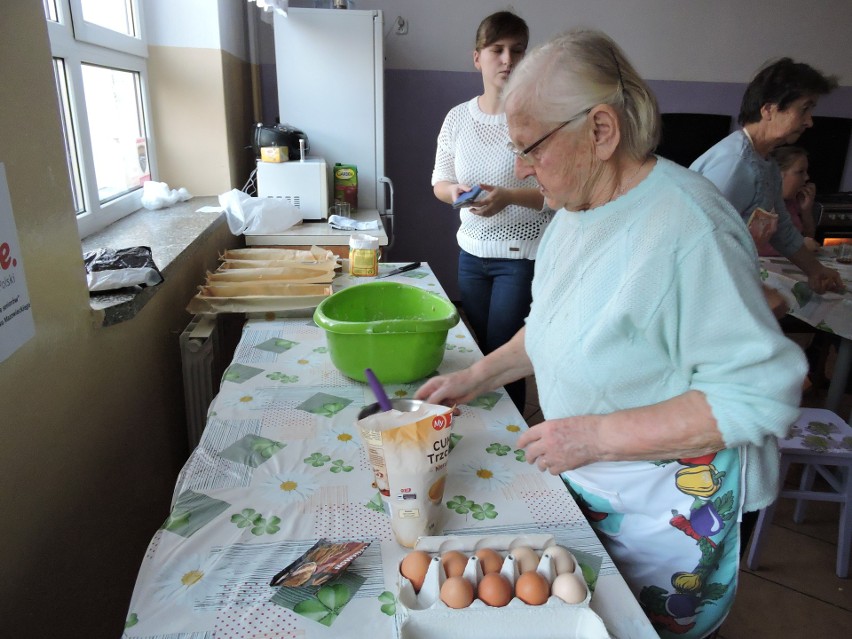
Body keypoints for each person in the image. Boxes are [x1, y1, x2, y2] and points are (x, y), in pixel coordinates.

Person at [417, 29, 807, 639]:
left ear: (601, 131)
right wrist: (475, 376)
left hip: (672, 502)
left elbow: (760, 394)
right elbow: (551, 324)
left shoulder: (689, 226)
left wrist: (595, 436)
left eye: (531, 148)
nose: (520, 169)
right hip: (600, 480)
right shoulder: (575, 210)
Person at [431, 11, 550, 411]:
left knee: (502, 358)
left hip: (518, 259)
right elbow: (439, 182)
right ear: (477, 57)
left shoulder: (538, 120)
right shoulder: (457, 119)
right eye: (497, 49)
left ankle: (512, 437)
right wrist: (457, 192)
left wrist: (509, 197)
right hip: (471, 256)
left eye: (517, 50)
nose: (507, 59)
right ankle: (489, 436)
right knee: (481, 351)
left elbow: (556, 196)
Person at [690, 58, 842, 294]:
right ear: (769, 109)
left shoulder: (766, 163)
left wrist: (815, 269)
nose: (810, 122)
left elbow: (781, 226)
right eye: (804, 109)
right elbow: (698, 241)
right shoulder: (734, 165)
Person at [759, 145, 820, 256]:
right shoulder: (761, 201)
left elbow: (809, 240)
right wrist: (799, 247)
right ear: (779, 174)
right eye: (800, 172)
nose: (807, 177)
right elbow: (756, 247)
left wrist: (806, 211)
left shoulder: (791, 203)